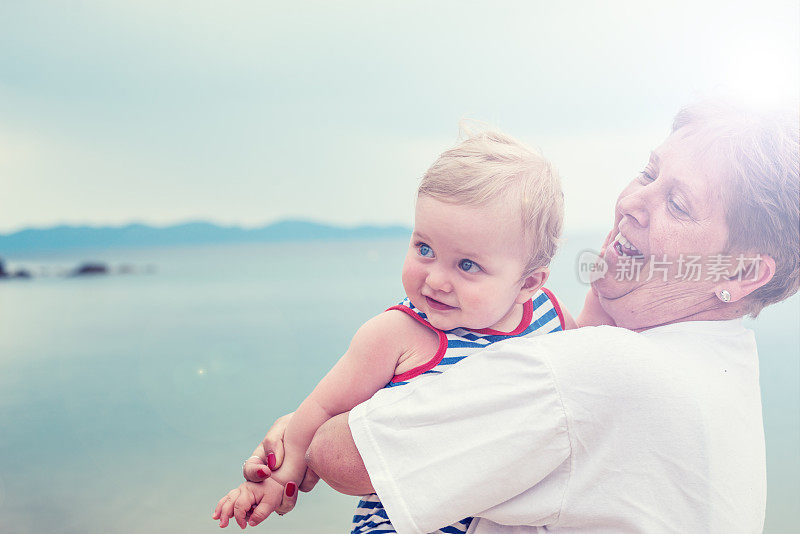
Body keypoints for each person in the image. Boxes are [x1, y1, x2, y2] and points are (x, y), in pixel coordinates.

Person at [235, 99, 799, 533]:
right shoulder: (721, 368)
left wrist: (309, 427)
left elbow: (344, 454)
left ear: (742, 274)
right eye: (649, 174)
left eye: (677, 204)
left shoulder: (597, 374)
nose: (632, 202)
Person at [213, 126, 573, 531]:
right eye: (425, 249)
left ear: (528, 284)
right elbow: (322, 409)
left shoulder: (551, 318)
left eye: (467, 265)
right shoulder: (398, 334)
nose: (436, 279)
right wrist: (279, 479)